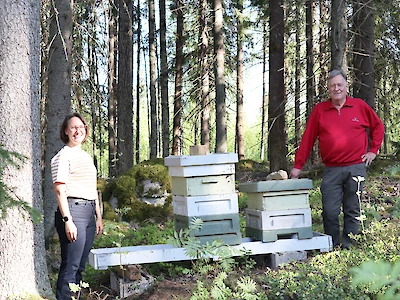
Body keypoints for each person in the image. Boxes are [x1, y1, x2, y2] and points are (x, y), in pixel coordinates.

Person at [290, 69, 384, 249]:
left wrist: (373, 150)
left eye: (340, 85)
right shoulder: (320, 110)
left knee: (352, 209)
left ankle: (350, 246)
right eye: (333, 85)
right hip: (331, 169)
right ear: (329, 88)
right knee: (330, 211)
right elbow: (308, 138)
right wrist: (298, 165)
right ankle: (331, 245)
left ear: (347, 86)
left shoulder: (359, 106)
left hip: (356, 167)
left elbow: (378, 126)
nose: (336, 88)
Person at [51, 113, 103, 299]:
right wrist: (68, 220)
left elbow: (92, 187)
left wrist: (97, 217)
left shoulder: (86, 156)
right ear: (65, 131)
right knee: (70, 266)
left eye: (81, 127)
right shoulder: (62, 156)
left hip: (88, 213)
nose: (77, 131)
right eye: (73, 127)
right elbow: (59, 190)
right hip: (73, 211)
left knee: (80, 266)